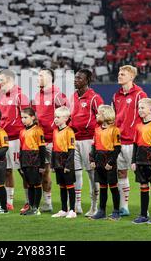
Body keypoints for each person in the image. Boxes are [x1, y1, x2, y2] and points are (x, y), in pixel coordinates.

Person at [112, 65, 147, 216]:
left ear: (131, 76)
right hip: (119, 142)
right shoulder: (116, 96)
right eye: (119, 73)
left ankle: (144, 209)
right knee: (121, 173)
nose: (119, 76)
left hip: (134, 142)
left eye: (123, 74)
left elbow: (146, 117)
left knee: (141, 176)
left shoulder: (140, 94)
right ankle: (124, 206)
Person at [33, 68, 68, 213]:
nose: (38, 78)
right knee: (43, 172)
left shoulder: (59, 95)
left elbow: (67, 116)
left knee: (64, 172)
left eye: (40, 75)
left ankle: (72, 204)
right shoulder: (37, 96)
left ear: (48, 77)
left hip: (55, 140)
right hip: (41, 140)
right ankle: (47, 203)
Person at [69, 69, 104, 216]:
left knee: (92, 174)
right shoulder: (73, 97)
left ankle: (94, 207)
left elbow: (102, 118)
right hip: (74, 140)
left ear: (87, 80)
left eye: (79, 78)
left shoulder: (95, 98)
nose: (75, 80)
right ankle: (77, 206)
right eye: (75, 77)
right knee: (76, 173)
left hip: (89, 141)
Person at [0, 69, 30, 211]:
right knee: (7, 171)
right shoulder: (2, 96)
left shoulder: (20, 95)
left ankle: (29, 200)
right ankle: (9, 202)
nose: (0, 84)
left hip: (17, 138)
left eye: (2, 80)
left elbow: (28, 118)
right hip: (5, 139)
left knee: (23, 171)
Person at [131, 98, 151, 225]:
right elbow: (135, 145)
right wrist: (133, 161)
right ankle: (143, 215)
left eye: (143, 108)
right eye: (139, 108)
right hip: (140, 161)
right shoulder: (138, 126)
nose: (140, 110)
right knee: (143, 187)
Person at [89, 105, 122, 221]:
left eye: (99, 113)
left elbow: (117, 148)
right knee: (102, 187)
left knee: (113, 187)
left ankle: (116, 211)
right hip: (99, 161)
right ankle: (101, 211)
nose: (97, 115)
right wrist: (92, 160)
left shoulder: (114, 130)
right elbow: (93, 146)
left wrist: (111, 162)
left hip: (109, 161)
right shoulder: (97, 130)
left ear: (106, 115)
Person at [19, 108, 46, 216]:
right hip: (25, 160)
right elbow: (21, 148)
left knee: (36, 184)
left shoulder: (38, 130)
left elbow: (42, 149)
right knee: (29, 184)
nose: (23, 120)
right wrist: (21, 163)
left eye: (26, 117)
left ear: (33, 117)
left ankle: (36, 208)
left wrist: (42, 165)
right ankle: (30, 207)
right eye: (22, 117)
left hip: (35, 161)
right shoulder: (22, 131)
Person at [50, 106, 77, 219]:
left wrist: (68, 165)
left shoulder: (69, 131)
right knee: (62, 186)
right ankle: (63, 209)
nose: (55, 119)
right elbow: (53, 148)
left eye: (58, 117)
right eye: (55, 117)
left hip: (66, 162)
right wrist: (52, 164)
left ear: (65, 118)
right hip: (57, 162)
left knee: (70, 186)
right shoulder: (55, 131)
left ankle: (72, 210)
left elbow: (71, 150)